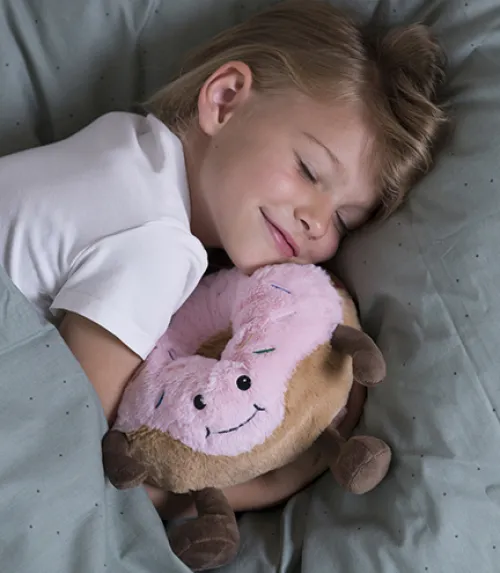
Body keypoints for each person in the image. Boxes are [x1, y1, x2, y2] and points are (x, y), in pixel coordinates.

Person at [0, 0, 448, 518]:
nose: (317, 221)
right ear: (225, 100)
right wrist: (275, 481)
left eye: (344, 221)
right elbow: (66, 456)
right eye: (308, 170)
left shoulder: (124, 143)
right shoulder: (159, 243)